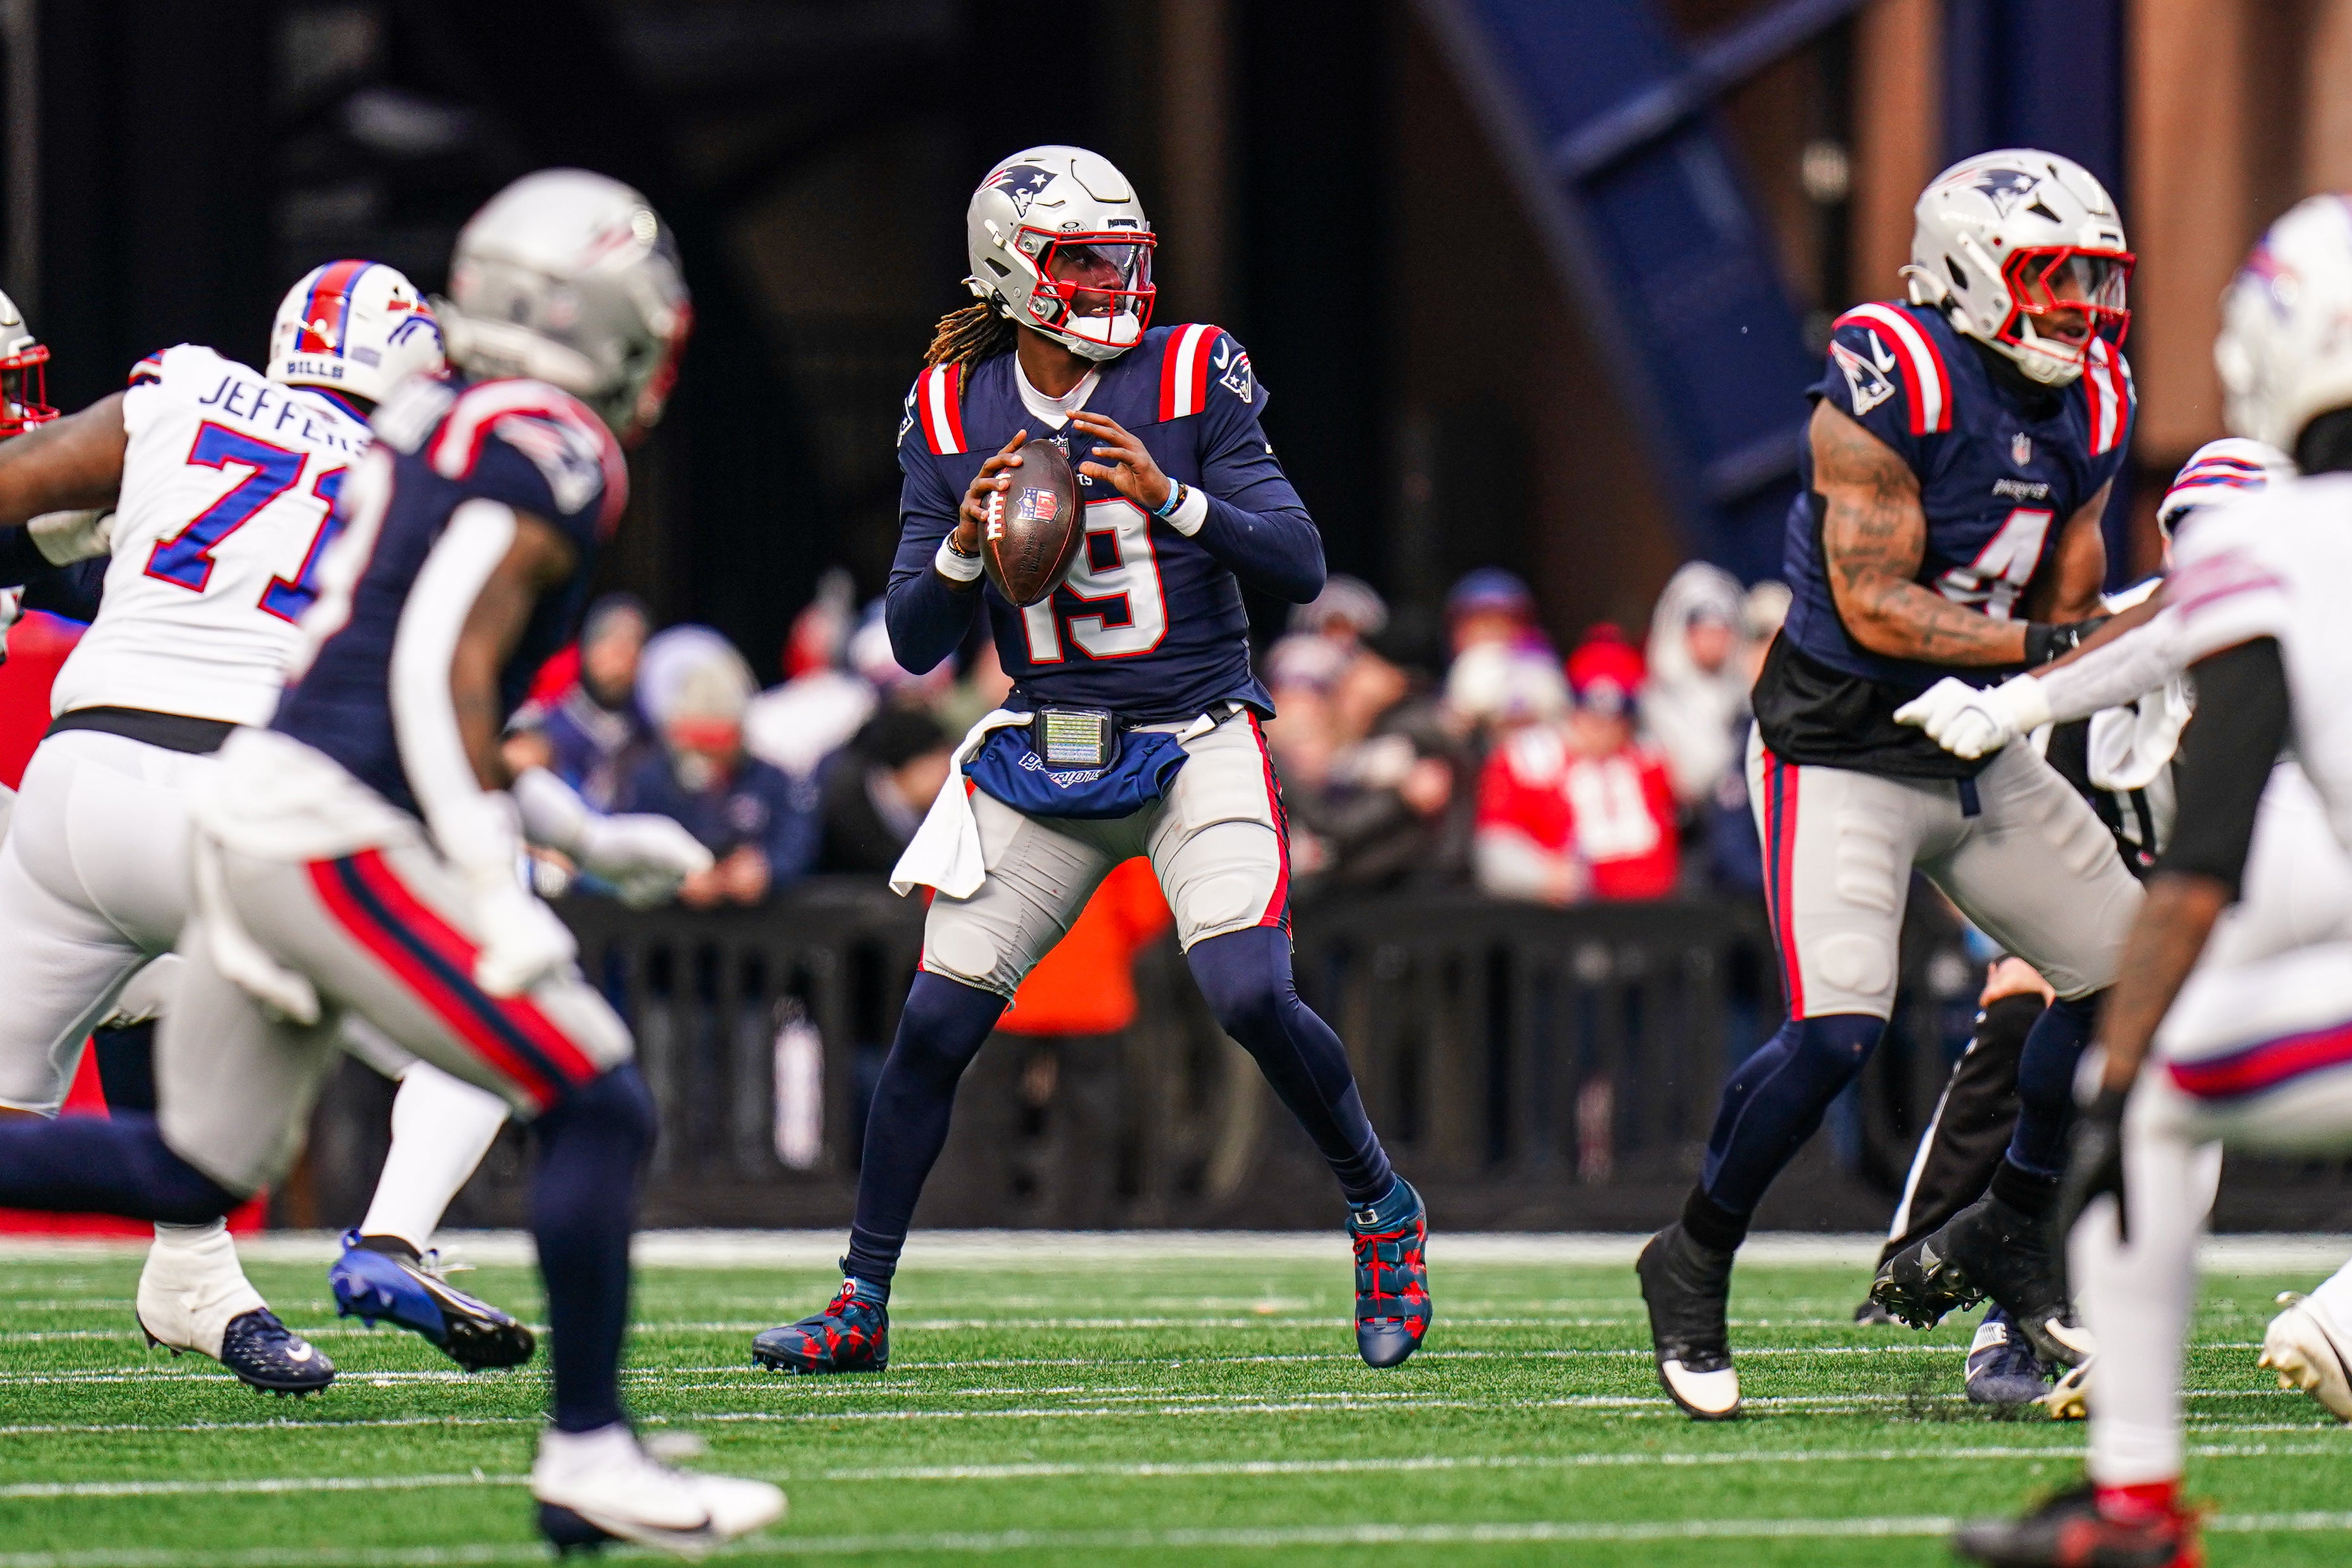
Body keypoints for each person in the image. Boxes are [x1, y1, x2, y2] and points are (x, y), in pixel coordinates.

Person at [0, 170, 783, 1555]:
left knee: (189, 1164)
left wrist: (582, 835)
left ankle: (253, 1265)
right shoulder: (530, 439)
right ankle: (580, 1441)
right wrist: (505, 882)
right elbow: (433, 678)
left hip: (74, 778)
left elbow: (31, 490)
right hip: (269, 814)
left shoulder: (211, 395)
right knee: (592, 1090)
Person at [751, 144, 1429, 1378]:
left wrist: (1174, 497)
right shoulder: (952, 406)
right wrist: (960, 544)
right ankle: (860, 1298)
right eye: (1080, 257)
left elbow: (1298, 561)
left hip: (1191, 737)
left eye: (1123, 255)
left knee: (1246, 993)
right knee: (934, 1023)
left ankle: (1381, 1210)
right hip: (1047, 753)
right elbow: (911, 639)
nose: (1111, 280)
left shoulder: (1189, 367)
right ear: (1013, 271)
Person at [1639, 148, 2146, 1421]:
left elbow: (2070, 581)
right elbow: (1874, 606)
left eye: (2095, 280)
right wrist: (2049, 656)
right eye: (2054, 278)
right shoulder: (1891, 369)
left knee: (2133, 976)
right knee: (1837, 1033)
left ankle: (2010, 1224)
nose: (2081, 308)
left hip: (1975, 745)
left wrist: (2078, 643)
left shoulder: (2090, 396)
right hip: (1842, 743)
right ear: (1971, 272)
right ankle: (1693, 1255)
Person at [1950, 193, 2352, 1568]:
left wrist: (2122, 1059)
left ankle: (2134, 1498)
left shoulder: (2270, 548)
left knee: (2163, 1107)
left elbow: (2215, 831)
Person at [0, 259, 446, 1394]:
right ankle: (365, 1238)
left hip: (88, 787)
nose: (27, 403)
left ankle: (193, 1273)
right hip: (199, 799)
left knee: (136, 980)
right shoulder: (403, 476)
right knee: (469, 1034)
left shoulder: (184, 399)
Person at [1861, 435, 2293, 1408]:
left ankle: (2003, 1242)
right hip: (2150, 901)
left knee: (2168, 1087)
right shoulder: (2122, 640)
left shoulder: (2313, 625)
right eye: (2197, 536)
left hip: (2284, 911)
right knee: (2100, 1041)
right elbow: (2044, 779)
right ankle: (2010, 1287)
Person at [1475, 628, 1678, 904]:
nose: (1600, 729)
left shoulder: (1650, 760)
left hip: (1650, 918)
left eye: (1615, 718)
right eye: (1590, 712)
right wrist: (1540, 876)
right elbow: (1495, 851)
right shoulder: (1525, 760)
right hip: (1558, 927)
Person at [621, 624, 818, 907]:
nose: (709, 757)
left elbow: (799, 840)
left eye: (719, 740)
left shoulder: (773, 780)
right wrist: (672, 876)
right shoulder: (650, 780)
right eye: (699, 741)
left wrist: (768, 869)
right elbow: (628, 845)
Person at [505, 592, 651, 809]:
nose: (620, 657)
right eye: (609, 640)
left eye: (632, 644)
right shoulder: (538, 724)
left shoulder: (646, 738)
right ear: (586, 648)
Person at [1641, 562, 1749, 810]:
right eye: (1702, 631)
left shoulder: (1747, 696)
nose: (1713, 642)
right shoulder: (1657, 701)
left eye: (1721, 631)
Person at [812, 704, 952, 875]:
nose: (946, 778)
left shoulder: (932, 812)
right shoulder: (849, 811)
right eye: (938, 766)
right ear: (908, 767)